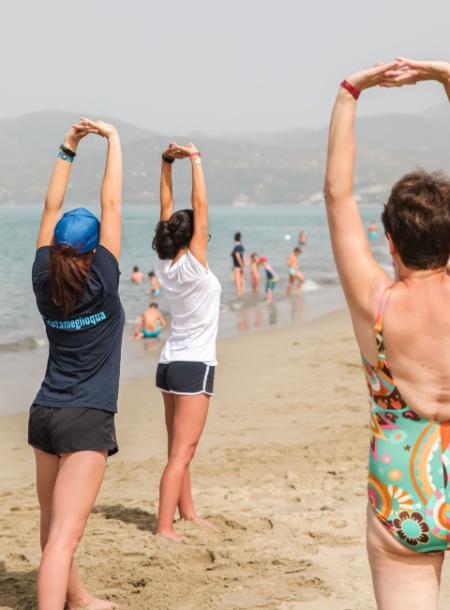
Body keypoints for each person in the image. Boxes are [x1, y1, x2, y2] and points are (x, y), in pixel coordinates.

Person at [324, 58, 450, 610]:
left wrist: (352, 91)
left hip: (403, 488)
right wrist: (444, 77)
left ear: (390, 242)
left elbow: (337, 196)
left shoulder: (374, 304)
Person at [29, 118, 123, 610]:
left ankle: (79, 597)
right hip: (85, 419)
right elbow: (113, 203)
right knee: (64, 538)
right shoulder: (103, 280)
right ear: (93, 251)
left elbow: (50, 207)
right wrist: (113, 140)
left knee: (53, 528)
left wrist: (68, 147)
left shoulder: (43, 280)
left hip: (45, 413)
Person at [152, 141, 221, 541]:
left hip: (168, 365)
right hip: (194, 365)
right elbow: (200, 203)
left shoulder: (165, 262)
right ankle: (164, 527)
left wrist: (165, 163)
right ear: (194, 237)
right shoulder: (194, 264)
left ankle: (187, 511)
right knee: (182, 452)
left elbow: (166, 209)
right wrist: (195, 160)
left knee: (179, 449)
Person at [231, 232, 245, 298]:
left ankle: (239, 297)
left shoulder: (236, 247)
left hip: (237, 267)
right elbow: (243, 257)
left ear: (234, 239)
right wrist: (243, 266)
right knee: (242, 282)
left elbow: (237, 255)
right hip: (241, 267)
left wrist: (241, 265)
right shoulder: (242, 247)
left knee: (237, 283)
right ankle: (243, 296)